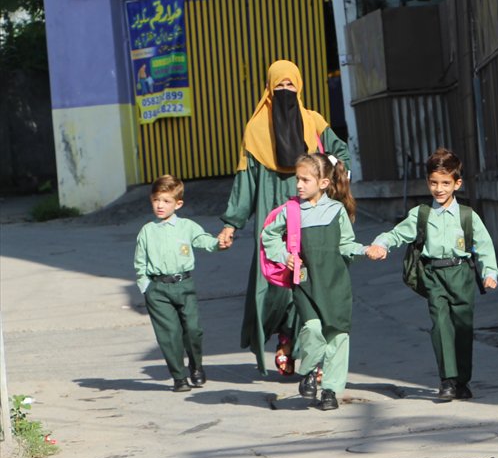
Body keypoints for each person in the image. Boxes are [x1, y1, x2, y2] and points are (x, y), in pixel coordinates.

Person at [217, 60, 350, 376]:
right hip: (271, 214)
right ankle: (284, 338)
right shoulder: (255, 129)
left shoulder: (313, 121)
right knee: (276, 281)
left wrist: (325, 173)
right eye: (279, 86)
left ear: (300, 87)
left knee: (308, 280)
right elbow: (245, 179)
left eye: (291, 86)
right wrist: (231, 223)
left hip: (309, 212)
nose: (285, 91)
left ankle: (302, 349)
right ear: (268, 89)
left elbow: (340, 155)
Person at [370, 148, 498, 401]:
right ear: (428, 182)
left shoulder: (467, 215)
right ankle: (447, 381)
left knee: (463, 329)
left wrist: (490, 272)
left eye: (445, 183)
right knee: (440, 326)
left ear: (457, 183)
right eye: (433, 182)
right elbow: (397, 233)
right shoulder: (421, 214)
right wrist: (381, 244)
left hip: (461, 274)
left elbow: (484, 244)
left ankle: (462, 380)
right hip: (434, 274)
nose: (439, 189)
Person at [262, 153, 385, 410]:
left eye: (305, 180)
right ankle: (308, 371)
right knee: (313, 330)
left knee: (338, 337)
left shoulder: (337, 210)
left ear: (324, 183)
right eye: (298, 179)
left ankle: (330, 390)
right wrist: (285, 256)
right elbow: (268, 235)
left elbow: (347, 244)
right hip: (306, 284)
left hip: (336, 284)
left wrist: (366, 250)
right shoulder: (291, 211)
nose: (299, 185)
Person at [134, 175, 230, 392]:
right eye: (157, 200)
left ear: (178, 204)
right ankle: (179, 378)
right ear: (151, 199)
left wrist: (218, 244)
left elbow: (203, 240)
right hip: (158, 289)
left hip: (183, 285)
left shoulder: (187, 226)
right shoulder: (147, 231)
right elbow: (140, 262)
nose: (160, 205)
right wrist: (146, 287)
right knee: (169, 335)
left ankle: (196, 366)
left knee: (193, 330)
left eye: (166, 201)